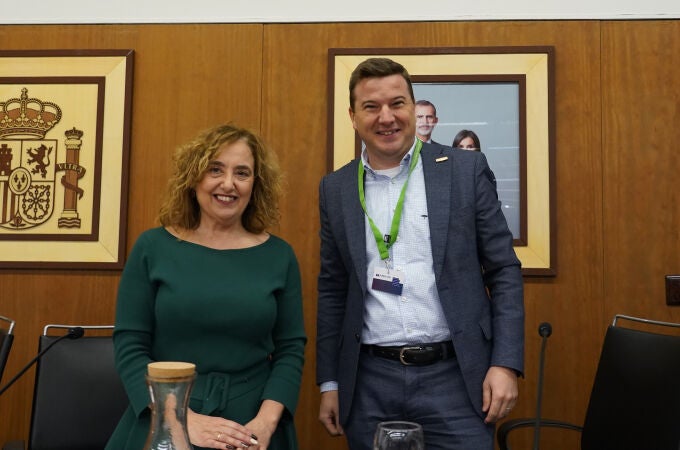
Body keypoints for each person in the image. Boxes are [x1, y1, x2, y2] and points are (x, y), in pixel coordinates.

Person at [316, 57, 524, 450]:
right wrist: (330, 382)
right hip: (368, 384)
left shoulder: (465, 169)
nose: (386, 117)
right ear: (353, 116)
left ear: (414, 108)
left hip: (458, 379)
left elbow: (504, 270)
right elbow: (332, 288)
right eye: (371, 107)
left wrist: (505, 363)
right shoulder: (336, 188)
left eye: (397, 103)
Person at [107, 124, 307, 450]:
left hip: (252, 422)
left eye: (242, 173)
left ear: (255, 185)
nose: (228, 183)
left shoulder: (279, 255)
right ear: (194, 177)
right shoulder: (152, 247)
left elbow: (291, 349)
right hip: (163, 415)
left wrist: (266, 423)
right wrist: (178, 421)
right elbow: (130, 345)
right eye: (215, 170)